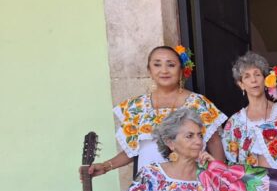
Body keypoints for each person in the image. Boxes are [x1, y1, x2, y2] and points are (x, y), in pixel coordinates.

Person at [88, 45, 226, 176]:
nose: (164, 70)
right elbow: (133, 150)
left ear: (181, 70)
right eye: (157, 64)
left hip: (191, 184)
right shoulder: (136, 106)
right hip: (150, 185)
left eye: (171, 65)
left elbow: (214, 143)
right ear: (149, 71)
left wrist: (219, 178)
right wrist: (106, 166)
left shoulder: (198, 103)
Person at [221, 51, 277, 167]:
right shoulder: (234, 122)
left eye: (257, 74)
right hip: (249, 183)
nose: (253, 80)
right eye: (247, 76)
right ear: (241, 84)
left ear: (265, 79)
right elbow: (231, 161)